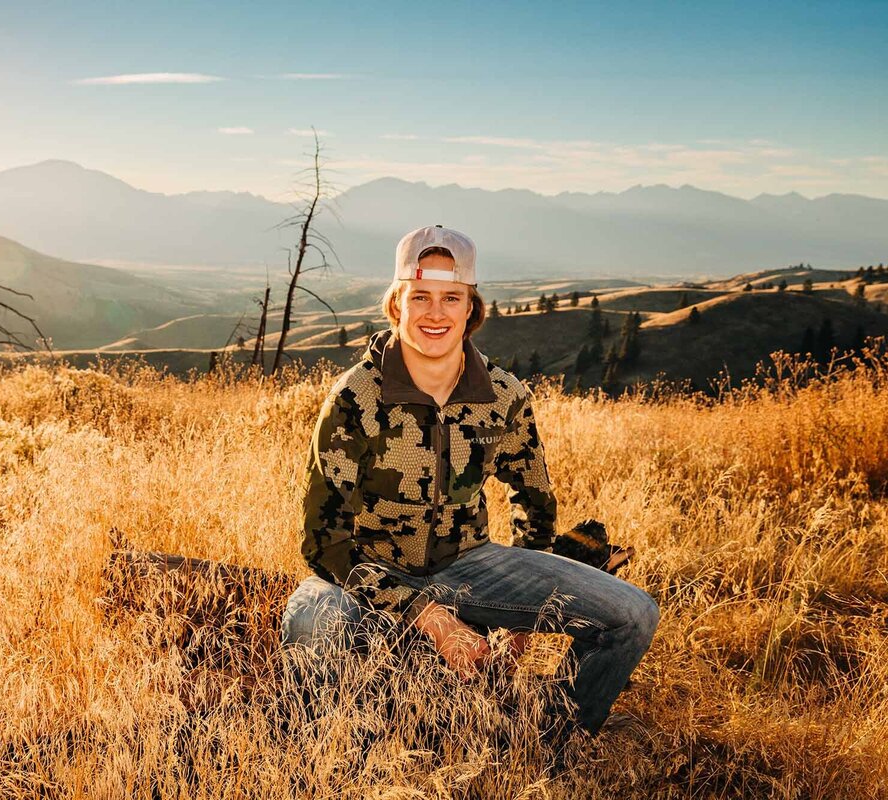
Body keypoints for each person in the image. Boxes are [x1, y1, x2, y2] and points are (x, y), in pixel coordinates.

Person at [281, 225, 659, 738]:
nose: (436, 313)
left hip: (471, 564)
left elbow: (534, 497)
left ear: (470, 308)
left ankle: (547, 735)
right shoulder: (356, 398)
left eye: (451, 298)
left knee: (632, 613)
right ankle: (339, 748)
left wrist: (528, 617)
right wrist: (429, 617)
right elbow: (323, 543)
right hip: (370, 571)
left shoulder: (502, 394)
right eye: (421, 297)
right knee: (313, 622)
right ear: (397, 305)